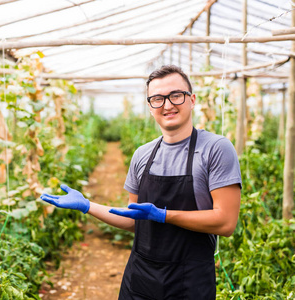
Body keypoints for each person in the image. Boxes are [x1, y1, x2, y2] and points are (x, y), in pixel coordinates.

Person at [40, 65, 242, 300]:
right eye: (158, 98)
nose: (167, 105)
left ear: (192, 99)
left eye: (176, 95)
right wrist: (88, 206)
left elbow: (226, 222)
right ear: (150, 106)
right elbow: (135, 220)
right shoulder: (143, 155)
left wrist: (165, 216)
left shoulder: (215, 149)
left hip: (189, 283)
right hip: (140, 279)